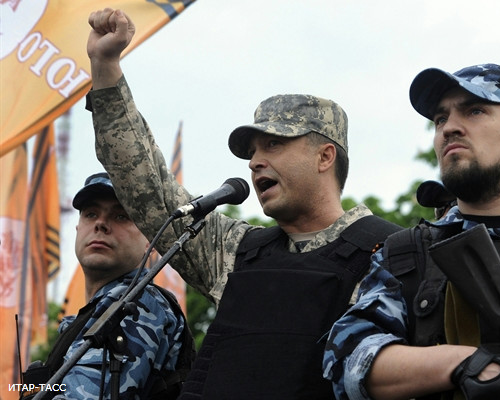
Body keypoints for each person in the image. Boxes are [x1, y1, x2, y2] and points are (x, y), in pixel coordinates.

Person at [85, 8, 401, 400]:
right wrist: (105, 66)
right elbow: (144, 183)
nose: (254, 162)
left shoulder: (394, 254)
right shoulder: (236, 251)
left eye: (274, 144)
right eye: (252, 151)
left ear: (325, 157)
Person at [323, 63, 500, 399]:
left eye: (475, 111)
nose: (449, 128)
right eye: (441, 119)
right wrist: (466, 364)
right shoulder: (404, 254)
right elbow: (348, 361)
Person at [21, 172, 193, 400]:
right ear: (78, 228)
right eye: (91, 214)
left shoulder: (136, 304)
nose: (100, 224)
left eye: (121, 216)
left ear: (150, 241)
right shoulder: (100, 308)